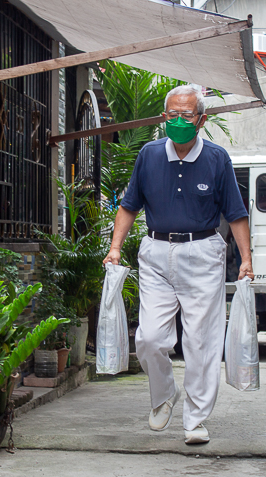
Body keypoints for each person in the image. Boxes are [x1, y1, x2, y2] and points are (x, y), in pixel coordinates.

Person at [102, 85, 254, 444]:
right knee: (149, 338)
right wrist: (115, 247)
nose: (178, 121)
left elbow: (236, 214)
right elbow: (128, 206)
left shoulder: (217, 159)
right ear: (164, 118)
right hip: (156, 252)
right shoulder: (149, 155)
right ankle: (165, 394)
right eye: (172, 115)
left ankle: (195, 420)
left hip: (203, 254)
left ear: (200, 120)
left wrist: (246, 259)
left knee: (201, 342)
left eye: (186, 115)